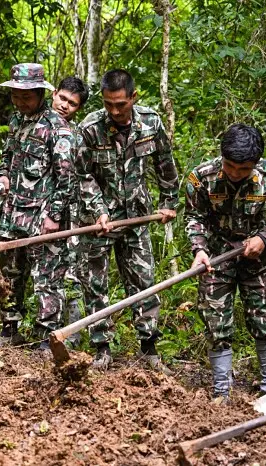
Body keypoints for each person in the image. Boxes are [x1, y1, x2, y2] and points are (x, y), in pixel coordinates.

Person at [185, 123, 266, 401]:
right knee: (216, 321)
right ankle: (221, 390)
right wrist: (198, 250)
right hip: (215, 256)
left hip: (256, 257)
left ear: (256, 163)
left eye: (243, 169)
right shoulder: (201, 178)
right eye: (230, 166)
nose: (235, 174)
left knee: (265, 319)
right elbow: (193, 217)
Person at [76, 69, 179, 371]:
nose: (114, 111)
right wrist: (98, 209)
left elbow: (165, 164)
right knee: (95, 284)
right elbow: (81, 174)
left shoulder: (151, 123)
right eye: (108, 104)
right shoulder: (90, 128)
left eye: (120, 104)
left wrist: (168, 203)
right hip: (99, 220)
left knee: (143, 281)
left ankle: (149, 349)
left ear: (134, 97)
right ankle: (101, 349)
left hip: (137, 215)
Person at [0, 63, 76, 347]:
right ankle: (9, 328)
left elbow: (66, 176)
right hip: (13, 213)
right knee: (10, 274)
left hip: (43, 217)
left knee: (47, 278)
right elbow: (7, 155)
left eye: (26, 96)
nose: (20, 101)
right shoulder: (17, 120)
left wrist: (54, 215)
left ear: (41, 93)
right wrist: (2, 175)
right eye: (16, 95)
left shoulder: (57, 128)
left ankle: (45, 335)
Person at [52, 76, 90, 347]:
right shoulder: (34, 124)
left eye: (72, 104)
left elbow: (77, 177)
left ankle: (72, 336)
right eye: (62, 98)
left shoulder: (76, 135)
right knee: (46, 272)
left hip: (72, 213)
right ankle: (47, 328)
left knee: (72, 272)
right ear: (54, 94)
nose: (64, 106)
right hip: (40, 211)